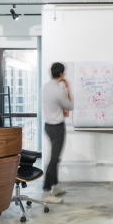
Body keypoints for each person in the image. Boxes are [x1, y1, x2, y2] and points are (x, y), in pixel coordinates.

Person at [41, 62, 73, 204]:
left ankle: (56, 186)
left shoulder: (47, 86)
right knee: (54, 160)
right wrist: (68, 89)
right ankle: (47, 192)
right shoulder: (59, 90)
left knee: (55, 158)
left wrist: (61, 110)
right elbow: (70, 105)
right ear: (61, 74)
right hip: (56, 128)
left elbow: (54, 105)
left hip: (48, 126)